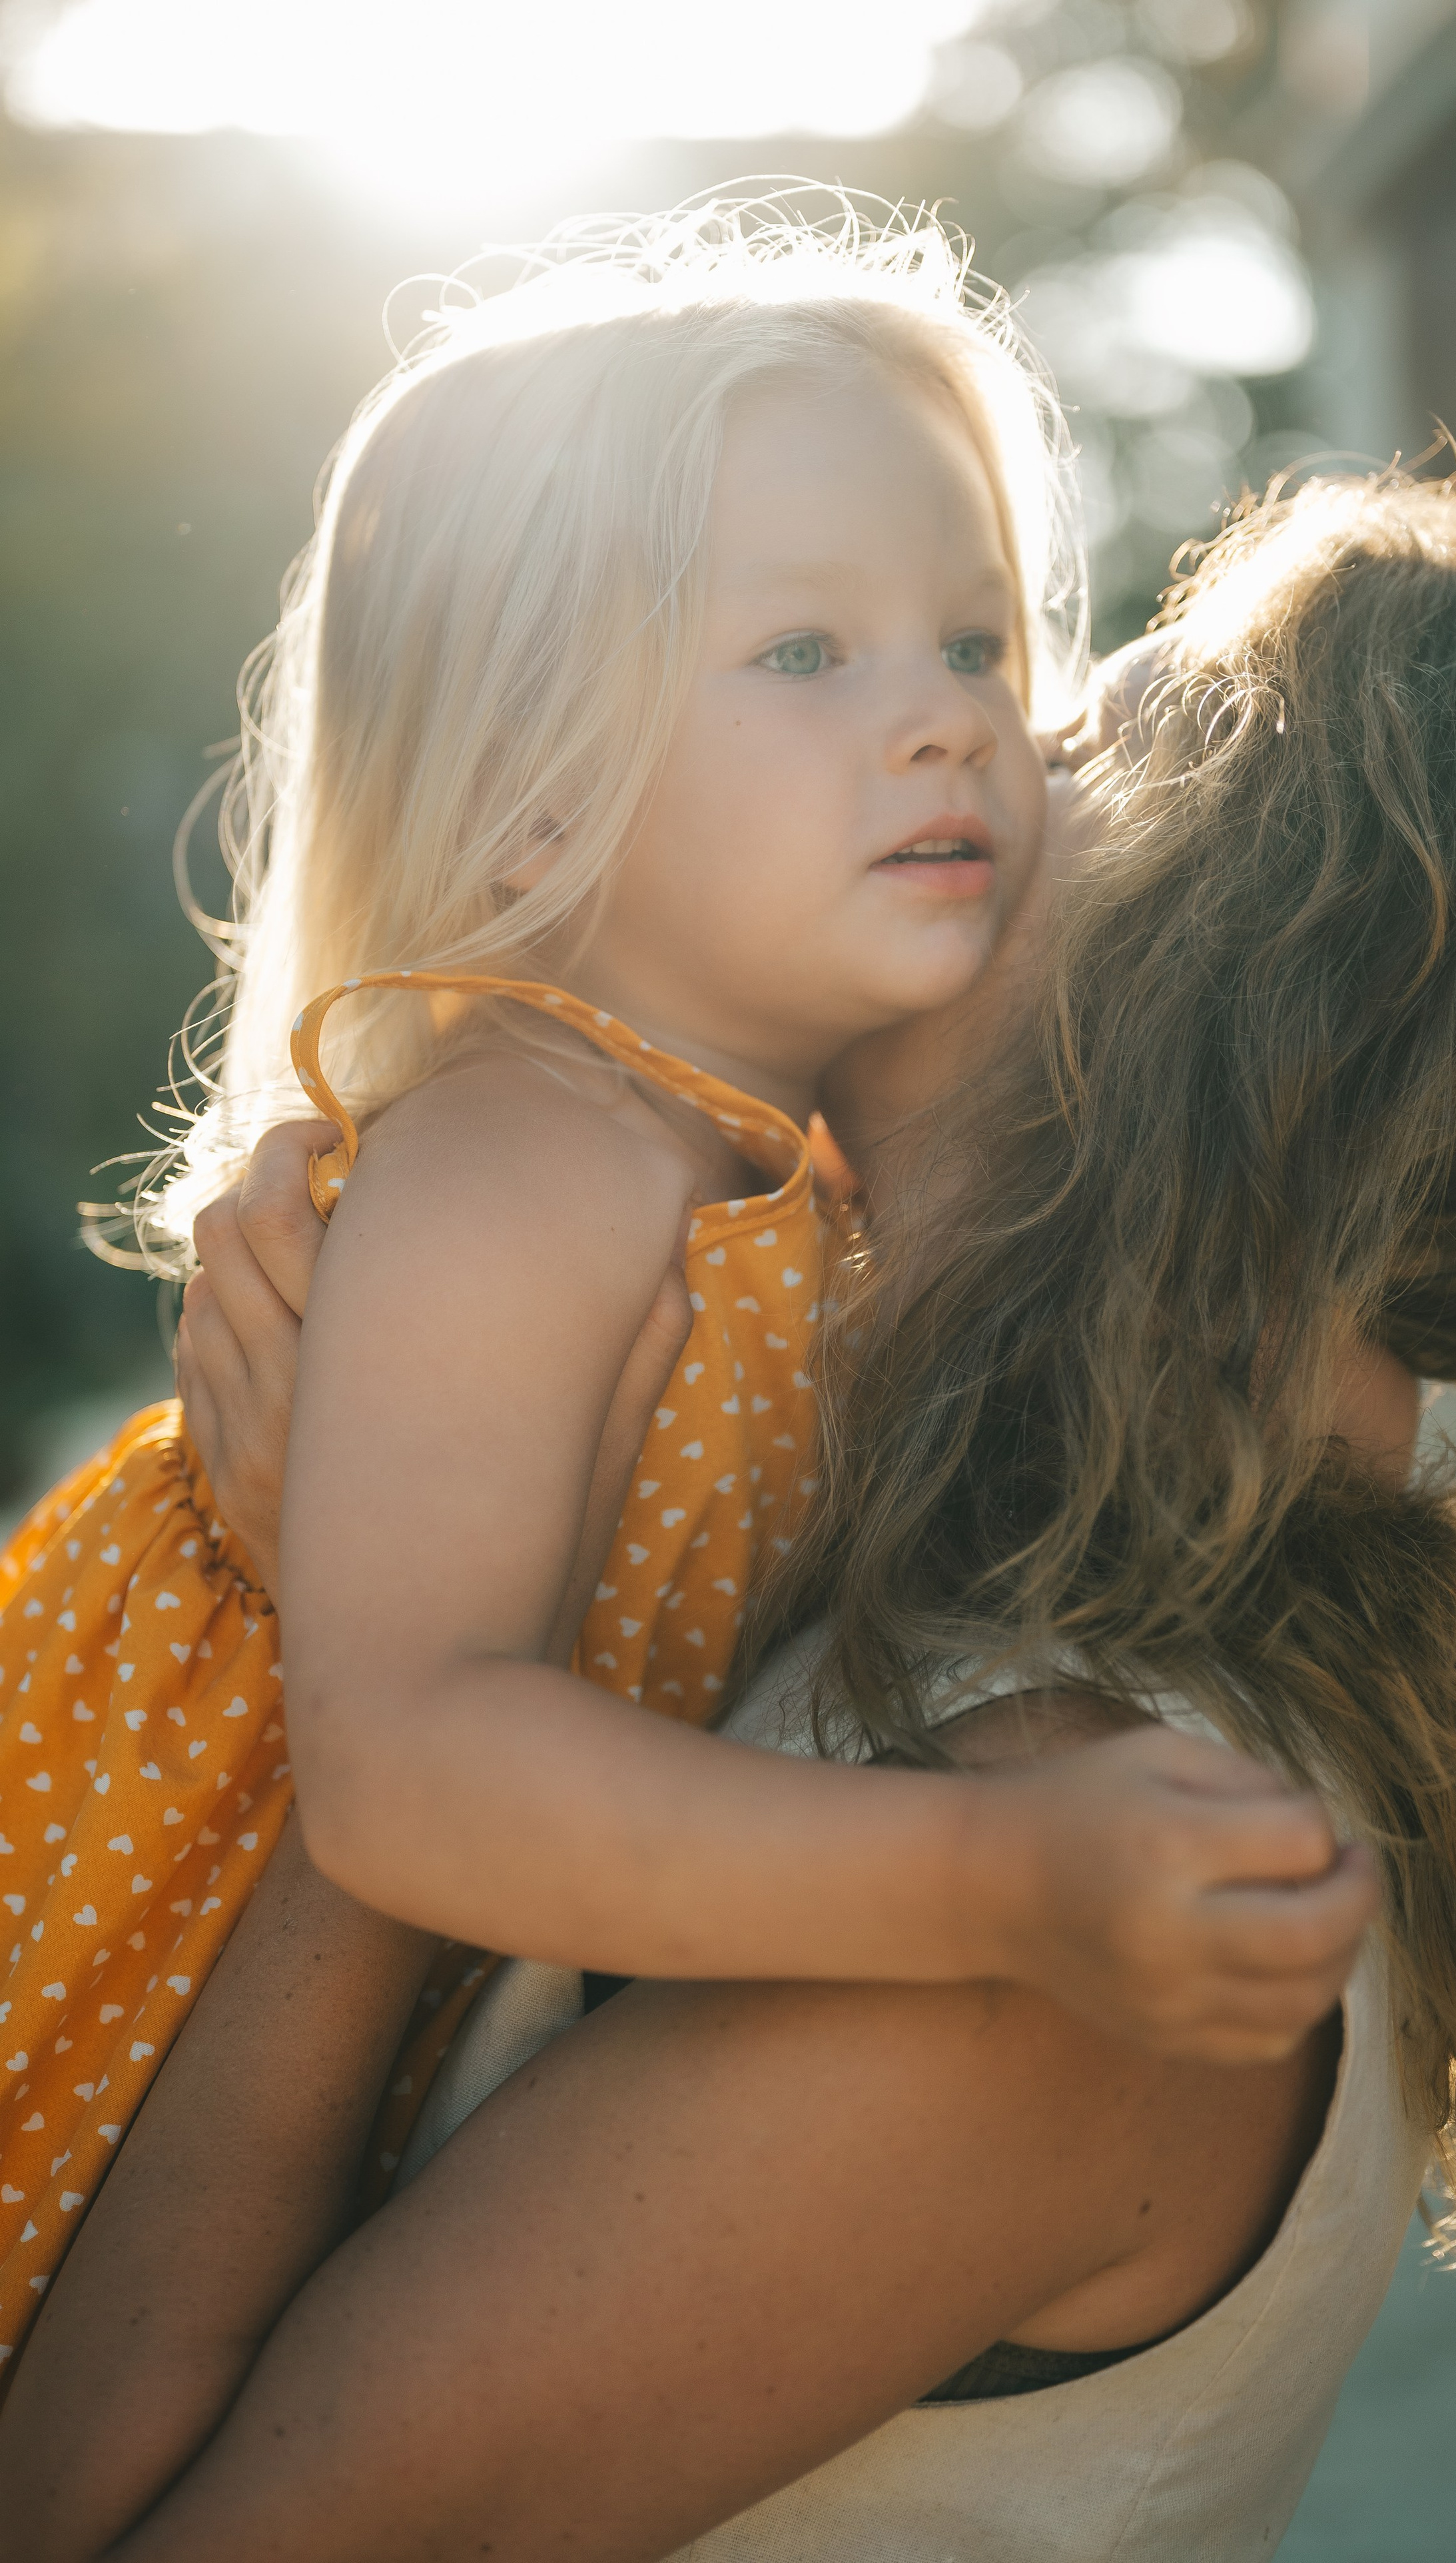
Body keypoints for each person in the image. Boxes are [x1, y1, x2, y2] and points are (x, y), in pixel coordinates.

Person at [7, 472, 1456, 2563]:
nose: (972, 755)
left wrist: (373, 1681)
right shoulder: (954, 1632)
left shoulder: (1036, 1900)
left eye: (1074, 739)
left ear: (1236, 980)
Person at [0, 197, 1374, 2368]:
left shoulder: (760, 1173)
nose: (943, 724)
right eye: (805, 655)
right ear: (539, 806)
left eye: (976, 643)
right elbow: (417, 1774)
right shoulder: (527, 1147)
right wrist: (1008, 1885)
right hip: (106, 2001)